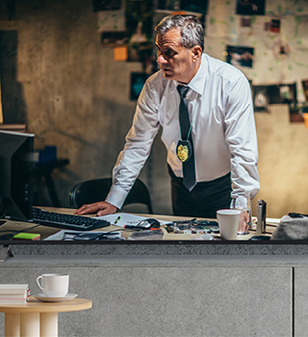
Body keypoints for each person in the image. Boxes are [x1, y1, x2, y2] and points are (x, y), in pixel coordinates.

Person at [76, 15, 258, 231]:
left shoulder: (230, 83)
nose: (160, 60)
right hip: (180, 184)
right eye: (159, 51)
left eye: (169, 53)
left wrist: (240, 204)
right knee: (183, 248)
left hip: (222, 187)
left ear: (195, 53)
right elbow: (137, 144)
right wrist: (114, 199)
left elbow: (242, 149)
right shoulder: (155, 85)